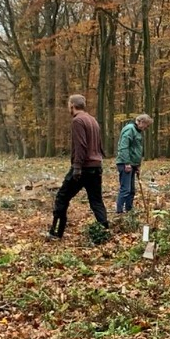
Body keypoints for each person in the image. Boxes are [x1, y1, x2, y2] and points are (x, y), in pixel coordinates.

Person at [48, 94, 110, 239]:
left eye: (69, 105)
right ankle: (105, 231)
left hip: (83, 167)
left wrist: (77, 167)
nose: (68, 107)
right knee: (96, 200)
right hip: (96, 166)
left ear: (72, 105)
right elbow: (99, 144)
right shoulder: (92, 120)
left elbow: (81, 145)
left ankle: (56, 232)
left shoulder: (78, 121)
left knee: (62, 197)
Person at [115, 113, 152, 214]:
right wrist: (127, 163)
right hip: (125, 163)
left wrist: (137, 165)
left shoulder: (138, 131)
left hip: (133, 164)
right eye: (146, 125)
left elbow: (137, 149)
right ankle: (119, 211)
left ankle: (129, 210)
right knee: (125, 189)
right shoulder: (130, 129)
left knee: (131, 190)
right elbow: (123, 147)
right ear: (141, 122)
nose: (146, 127)